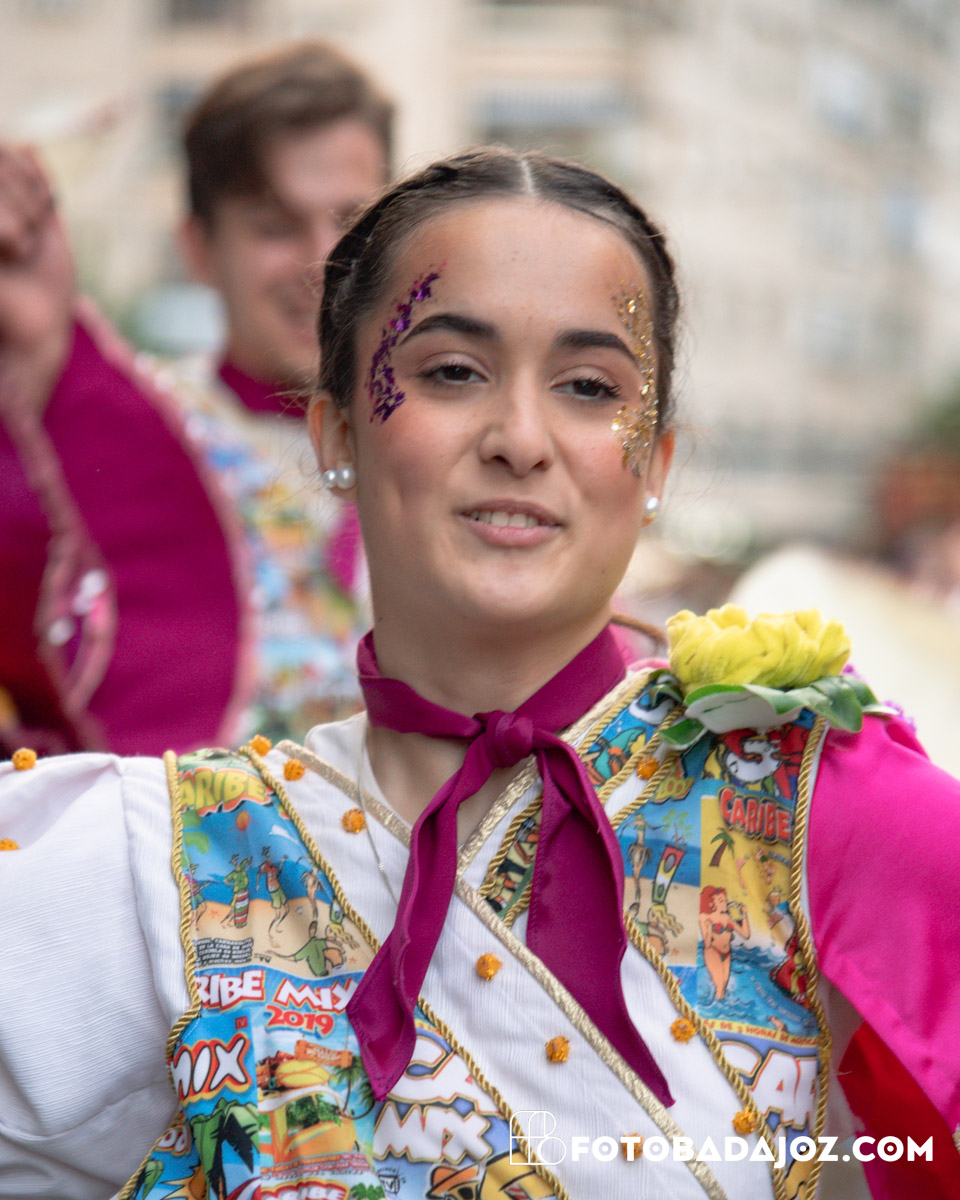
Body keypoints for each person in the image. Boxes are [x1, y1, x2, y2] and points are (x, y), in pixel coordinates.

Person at [1, 147, 959, 1200]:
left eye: (589, 388)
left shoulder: (807, 802)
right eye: (453, 372)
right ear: (337, 431)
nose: (520, 439)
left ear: (655, 464)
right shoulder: (158, 861)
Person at [0, 41, 391, 757]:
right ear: (199, 248)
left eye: (351, 222)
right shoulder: (125, 431)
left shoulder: (456, 443)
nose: (323, 261)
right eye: (274, 226)